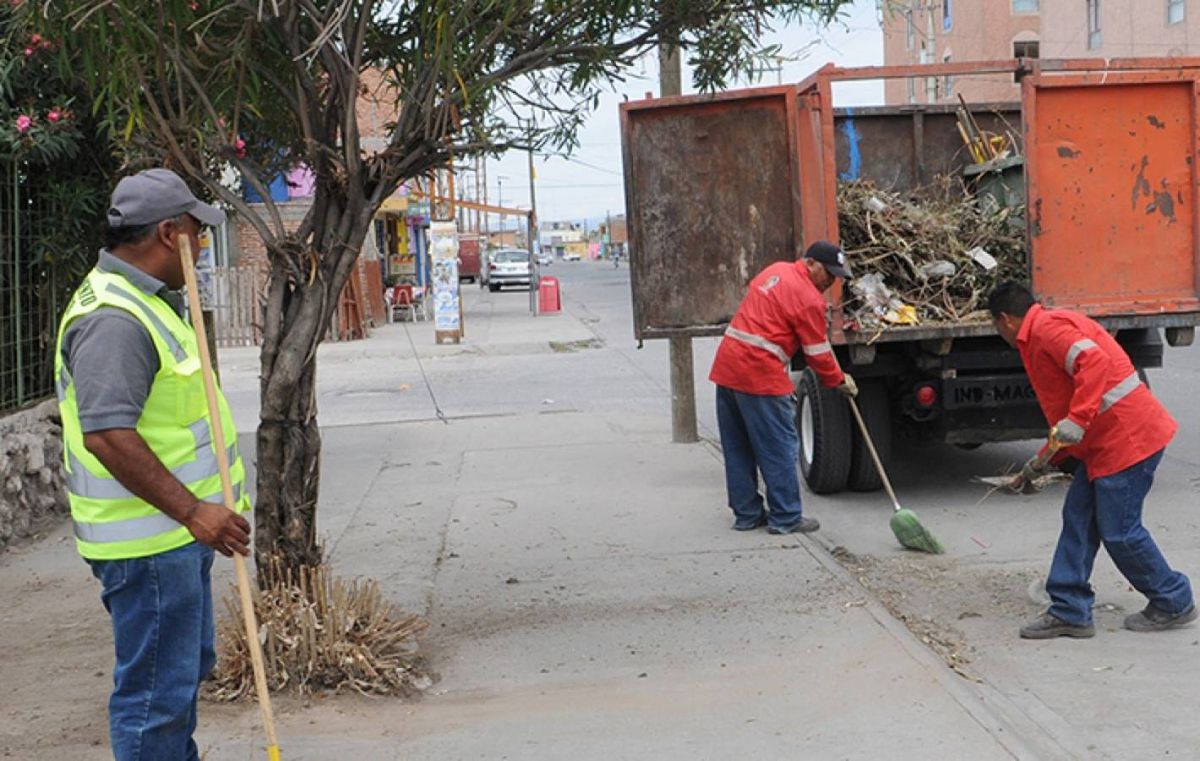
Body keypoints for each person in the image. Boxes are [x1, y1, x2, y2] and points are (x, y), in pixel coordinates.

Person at [55, 168, 253, 759]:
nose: (204, 242)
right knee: (154, 699)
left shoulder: (148, 301)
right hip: (151, 545)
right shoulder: (115, 319)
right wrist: (195, 512)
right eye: (198, 230)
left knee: (179, 676)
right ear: (170, 233)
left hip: (175, 538)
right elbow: (108, 435)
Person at [988, 282, 1195, 639]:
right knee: (1078, 518)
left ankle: (1174, 600)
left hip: (1128, 441)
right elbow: (1065, 416)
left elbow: (1093, 364)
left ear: (1005, 320)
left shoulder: (1047, 330)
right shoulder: (1046, 328)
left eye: (995, 326)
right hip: (1108, 443)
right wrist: (1038, 464)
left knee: (1120, 532)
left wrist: (1078, 420)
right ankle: (1070, 609)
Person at [709, 241, 857, 535]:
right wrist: (839, 380)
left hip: (728, 368)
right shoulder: (808, 298)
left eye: (836, 276)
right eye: (828, 273)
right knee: (779, 446)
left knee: (738, 447)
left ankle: (747, 514)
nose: (831, 281)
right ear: (811, 263)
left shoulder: (774, 271)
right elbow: (817, 353)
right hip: (759, 374)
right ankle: (786, 516)